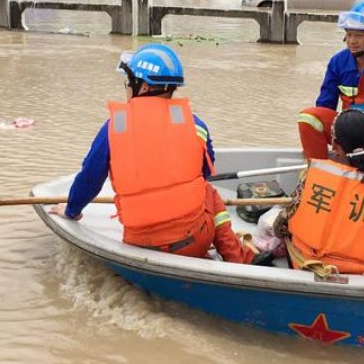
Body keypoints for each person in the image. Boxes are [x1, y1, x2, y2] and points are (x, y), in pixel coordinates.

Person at [50, 43, 262, 265]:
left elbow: (89, 180)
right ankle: (238, 258)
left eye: (128, 82)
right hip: (195, 241)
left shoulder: (114, 127)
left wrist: (72, 210)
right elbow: (205, 173)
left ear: (142, 87)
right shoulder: (195, 124)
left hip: (140, 244)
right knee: (208, 191)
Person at [274, 110, 364, 274]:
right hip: (360, 273)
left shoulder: (313, 175)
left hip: (307, 265)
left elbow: (282, 224)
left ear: (336, 146)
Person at [297, 0, 364, 166]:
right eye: (349, 35)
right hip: (348, 130)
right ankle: (317, 172)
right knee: (309, 117)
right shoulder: (338, 62)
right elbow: (325, 105)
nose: (352, 41)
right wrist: (334, 138)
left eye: (359, 35)